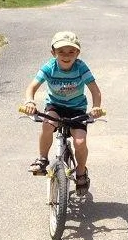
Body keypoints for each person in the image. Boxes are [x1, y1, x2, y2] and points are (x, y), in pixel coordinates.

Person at [22, 31, 102, 193]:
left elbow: (95, 90)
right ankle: (43, 159)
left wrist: (96, 107)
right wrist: (30, 101)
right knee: (47, 124)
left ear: (78, 53)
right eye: (61, 52)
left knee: (80, 142)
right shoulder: (49, 67)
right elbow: (32, 87)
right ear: (53, 53)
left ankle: (81, 172)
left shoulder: (81, 67)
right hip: (55, 107)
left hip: (77, 109)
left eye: (71, 51)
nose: (66, 55)